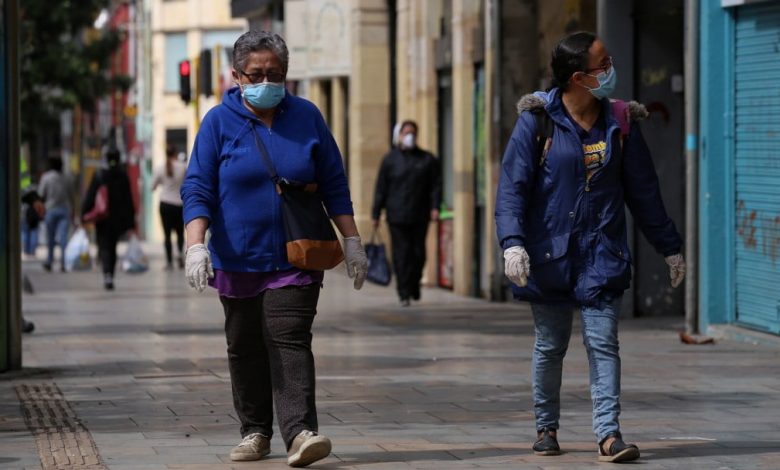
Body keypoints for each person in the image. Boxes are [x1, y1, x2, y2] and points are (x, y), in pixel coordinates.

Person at [495, 31, 685, 463]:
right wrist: (513, 244)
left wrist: (669, 246)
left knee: (603, 344)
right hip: (550, 255)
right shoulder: (537, 121)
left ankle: (609, 435)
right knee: (550, 345)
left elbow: (644, 192)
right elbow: (512, 189)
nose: (611, 68)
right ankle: (546, 427)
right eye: (603, 65)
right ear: (579, 77)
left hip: (603, 253)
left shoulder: (620, 121)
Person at [181, 30, 368, 468]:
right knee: (244, 345)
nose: (267, 81)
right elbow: (198, 187)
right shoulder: (217, 123)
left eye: (276, 74)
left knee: (288, 338)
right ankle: (255, 432)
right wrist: (195, 245)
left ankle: (300, 432)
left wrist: (353, 240)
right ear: (237, 76)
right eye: (257, 73)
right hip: (237, 258)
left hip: (296, 255)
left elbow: (335, 184)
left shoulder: (307, 116)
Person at [371, 120, 441, 306]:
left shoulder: (427, 159)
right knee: (401, 254)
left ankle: (414, 283)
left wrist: (435, 207)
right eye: (406, 133)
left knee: (418, 254)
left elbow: (435, 186)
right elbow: (381, 189)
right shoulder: (390, 160)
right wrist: (375, 214)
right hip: (397, 215)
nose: (410, 136)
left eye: (413, 133)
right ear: (399, 135)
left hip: (419, 214)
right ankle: (403, 291)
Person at [82, 148, 136, 290]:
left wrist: (84, 214)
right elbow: (128, 199)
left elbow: (90, 195)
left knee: (104, 246)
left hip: (102, 218)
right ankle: (110, 273)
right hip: (117, 219)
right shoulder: (123, 175)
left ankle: (107, 273)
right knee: (112, 247)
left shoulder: (99, 175)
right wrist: (131, 221)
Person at [152, 144, 186, 270]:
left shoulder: (159, 168)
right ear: (176, 153)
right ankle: (180, 256)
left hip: (165, 204)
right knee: (180, 233)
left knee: (166, 234)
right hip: (179, 204)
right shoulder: (183, 167)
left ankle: (169, 262)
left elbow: (153, 186)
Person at [38, 157, 73, 272]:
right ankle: (63, 262)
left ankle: (50, 261)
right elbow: (71, 195)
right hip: (64, 209)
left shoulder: (46, 177)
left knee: (50, 238)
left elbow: (41, 194)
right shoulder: (67, 177)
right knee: (63, 237)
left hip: (50, 209)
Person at [20, 156, 41, 259]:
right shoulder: (18, 159)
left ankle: (27, 250)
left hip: (24, 210)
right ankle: (31, 250)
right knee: (33, 230)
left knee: (25, 230)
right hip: (30, 210)